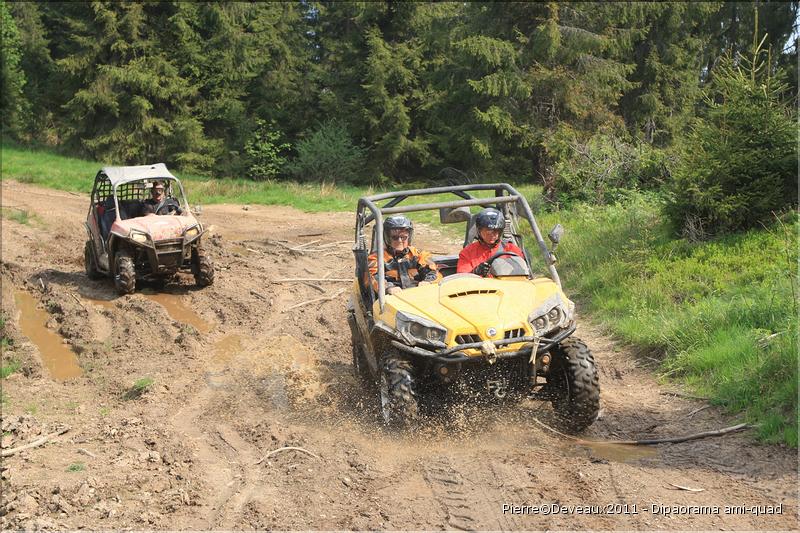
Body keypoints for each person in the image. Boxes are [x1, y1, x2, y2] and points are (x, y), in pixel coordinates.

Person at [368, 215, 442, 295]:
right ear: (387, 238)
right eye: (395, 237)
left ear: (409, 237)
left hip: (417, 294)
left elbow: (434, 272)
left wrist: (428, 282)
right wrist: (388, 288)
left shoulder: (419, 254)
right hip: (390, 298)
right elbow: (373, 277)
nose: (400, 241)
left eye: (403, 237)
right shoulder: (376, 258)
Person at [457, 208, 525, 276]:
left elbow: (524, 275)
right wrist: (475, 272)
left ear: (501, 231)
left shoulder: (513, 250)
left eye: (496, 231)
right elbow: (462, 279)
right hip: (479, 286)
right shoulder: (467, 253)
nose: (493, 235)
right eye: (488, 231)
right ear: (479, 230)